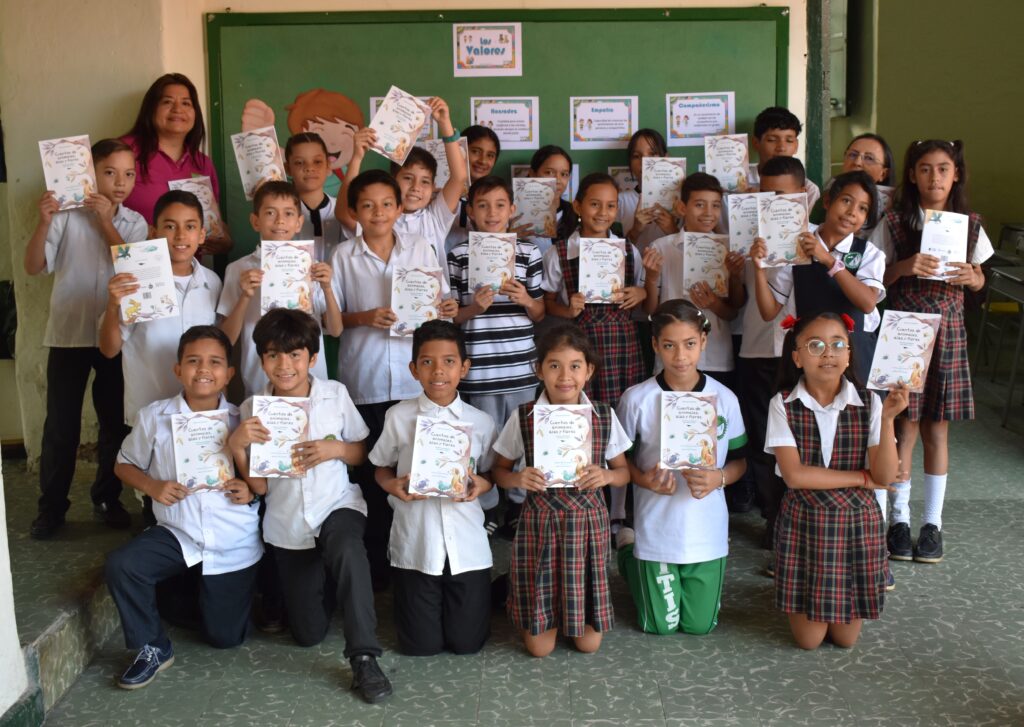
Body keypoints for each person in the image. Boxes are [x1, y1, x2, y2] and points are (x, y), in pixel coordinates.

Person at [228, 308, 392, 704]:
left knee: (349, 552)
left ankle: (364, 656)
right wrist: (236, 447)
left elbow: (360, 453)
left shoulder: (333, 394)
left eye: (295, 355)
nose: (284, 365)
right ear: (261, 359)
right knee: (307, 634)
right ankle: (322, 581)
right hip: (287, 524)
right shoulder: (253, 409)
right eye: (273, 355)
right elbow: (261, 487)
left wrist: (332, 448)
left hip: (337, 505)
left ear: (312, 358)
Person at [106, 326, 260, 688]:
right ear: (178, 370)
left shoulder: (244, 419)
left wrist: (249, 492)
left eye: (215, 362)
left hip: (231, 539)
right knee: (123, 566)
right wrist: (152, 486)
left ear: (229, 373)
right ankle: (152, 648)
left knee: (224, 637)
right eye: (193, 361)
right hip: (178, 533)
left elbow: (264, 483)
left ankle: (214, 598)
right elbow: (123, 464)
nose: (203, 369)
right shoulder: (154, 417)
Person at [330, 169, 459, 589]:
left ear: (400, 207)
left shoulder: (421, 247)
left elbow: (437, 302)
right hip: (364, 379)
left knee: (411, 471)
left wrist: (445, 308)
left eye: (387, 203)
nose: (378, 212)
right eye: (367, 205)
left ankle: (411, 563)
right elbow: (331, 320)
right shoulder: (341, 257)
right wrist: (365, 318)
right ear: (354, 211)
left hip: (412, 382)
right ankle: (375, 569)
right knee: (370, 475)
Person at [871, 139, 993, 564]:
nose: (934, 177)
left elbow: (982, 283)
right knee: (903, 426)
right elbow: (876, 279)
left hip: (948, 333)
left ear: (956, 174)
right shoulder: (894, 221)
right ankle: (898, 521)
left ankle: (932, 524)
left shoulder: (971, 225)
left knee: (936, 430)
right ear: (911, 174)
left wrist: (972, 277)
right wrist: (905, 266)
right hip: (905, 330)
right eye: (925, 168)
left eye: (943, 169)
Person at [25, 138, 148, 538]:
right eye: (110, 172)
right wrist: (44, 220)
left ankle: (107, 497)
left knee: (114, 422)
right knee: (61, 425)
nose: (120, 182)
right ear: (90, 173)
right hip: (67, 335)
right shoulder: (65, 216)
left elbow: (136, 268)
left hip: (114, 336)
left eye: (128, 174)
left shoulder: (134, 223)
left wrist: (106, 221)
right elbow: (33, 266)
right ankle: (52, 507)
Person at [765, 312, 907, 649]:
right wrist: (861, 477)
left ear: (849, 355)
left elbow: (885, 476)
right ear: (797, 357)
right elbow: (795, 476)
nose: (827, 353)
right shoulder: (782, 404)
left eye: (837, 344)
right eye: (815, 345)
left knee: (844, 640)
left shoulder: (871, 402)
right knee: (810, 642)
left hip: (857, 524)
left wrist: (887, 421)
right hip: (806, 522)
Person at [492, 325, 632, 657]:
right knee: (539, 649)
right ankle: (519, 599)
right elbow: (498, 470)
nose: (564, 375)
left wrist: (607, 477)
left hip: (588, 526)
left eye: (574, 365)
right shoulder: (524, 416)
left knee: (588, 645)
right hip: (540, 525)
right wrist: (516, 480)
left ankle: (573, 612)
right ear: (539, 369)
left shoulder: (603, 416)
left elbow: (625, 472)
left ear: (589, 371)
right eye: (554, 365)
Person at [616, 300, 748, 635]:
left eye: (690, 344)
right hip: (656, 526)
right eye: (669, 346)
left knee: (699, 626)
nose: (680, 356)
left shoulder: (726, 399)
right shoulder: (636, 399)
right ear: (655, 345)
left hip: (707, 530)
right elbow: (619, 461)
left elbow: (740, 461)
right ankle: (629, 551)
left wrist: (719, 477)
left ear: (704, 341)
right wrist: (644, 479)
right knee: (661, 625)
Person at [369, 320, 496, 655]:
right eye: (427, 362)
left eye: (449, 361)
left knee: (466, 644)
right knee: (420, 646)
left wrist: (484, 483)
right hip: (416, 543)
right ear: (413, 369)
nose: (438, 370)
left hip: (467, 546)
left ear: (464, 368)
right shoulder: (398, 417)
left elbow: (493, 473)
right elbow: (379, 466)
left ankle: (489, 594)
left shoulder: (480, 422)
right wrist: (391, 486)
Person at [447, 175, 545, 531]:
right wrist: (474, 307)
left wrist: (525, 300)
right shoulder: (458, 256)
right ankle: (486, 504)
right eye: (483, 205)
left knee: (521, 438)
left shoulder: (529, 252)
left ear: (512, 210)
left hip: (520, 366)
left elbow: (540, 312)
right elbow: (454, 317)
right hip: (480, 368)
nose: (492, 213)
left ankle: (519, 506)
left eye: (500, 205)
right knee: (484, 441)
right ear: (470, 211)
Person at [731, 156, 808, 548]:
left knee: (801, 439)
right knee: (763, 439)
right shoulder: (746, 234)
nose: (773, 202)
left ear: (802, 194)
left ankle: (802, 519)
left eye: (782, 195)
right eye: (765, 194)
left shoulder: (816, 238)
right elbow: (741, 298)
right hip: (759, 349)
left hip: (804, 356)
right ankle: (773, 517)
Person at [99, 190, 222, 428]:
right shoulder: (134, 281)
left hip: (199, 414)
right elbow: (109, 350)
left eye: (190, 226)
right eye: (170, 226)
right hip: (148, 414)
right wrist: (113, 305)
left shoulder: (212, 282)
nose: (180, 235)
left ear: (202, 234)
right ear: (154, 232)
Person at [751, 169, 885, 385]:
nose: (852, 212)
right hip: (808, 357)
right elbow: (769, 312)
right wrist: (759, 269)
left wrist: (829, 260)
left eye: (862, 209)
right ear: (827, 201)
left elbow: (868, 303)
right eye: (846, 201)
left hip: (854, 357)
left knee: (855, 416)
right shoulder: (796, 246)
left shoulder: (869, 253)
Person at [217, 180, 341, 396]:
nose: (280, 220)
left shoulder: (312, 268)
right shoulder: (238, 269)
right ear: (255, 221)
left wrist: (328, 289)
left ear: (299, 222)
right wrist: (246, 296)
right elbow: (226, 340)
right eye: (270, 213)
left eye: (289, 213)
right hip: (260, 380)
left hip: (311, 382)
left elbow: (336, 329)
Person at [542, 173, 654, 406]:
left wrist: (641, 293)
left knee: (626, 407)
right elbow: (548, 302)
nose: (603, 213)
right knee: (585, 408)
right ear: (578, 206)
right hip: (579, 345)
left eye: (610, 206)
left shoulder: (628, 250)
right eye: (594, 204)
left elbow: (645, 295)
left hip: (623, 343)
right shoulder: (559, 253)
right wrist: (568, 310)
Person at [337, 97, 466, 271]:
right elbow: (345, 214)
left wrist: (445, 124)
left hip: (432, 298)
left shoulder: (434, 218)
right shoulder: (379, 217)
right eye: (407, 178)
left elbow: (458, 178)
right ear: (393, 181)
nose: (416, 187)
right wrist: (357, 157)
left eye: (425, 181)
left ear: (434, 186)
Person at [645, 173, 743, 386]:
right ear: (682, 208)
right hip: (671, 359)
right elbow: (651, 312)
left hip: (716, 354)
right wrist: (651, 279)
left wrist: (717, 300)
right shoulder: (661, 248)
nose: (709, 213)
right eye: (699, 205)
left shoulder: (729, 249)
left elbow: (733, 311)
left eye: (716, 206)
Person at [121, 73, 231, 255]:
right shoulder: (124, 152)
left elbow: (212, 220)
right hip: (137, 269)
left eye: (186, 103)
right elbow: (98, 211)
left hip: (187, 276)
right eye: (167, 102)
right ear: (151, 109)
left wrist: (225, 241)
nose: (177, 109)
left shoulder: (202, 163)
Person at [285, 132, 347, 262]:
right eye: (299, 163)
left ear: (328, 166)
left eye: (317, 161)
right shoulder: (280, 214)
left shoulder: (342, 211)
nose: (309, 168)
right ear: (288, 169)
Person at [618, 129, 678, 249]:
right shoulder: (619, 201)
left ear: (666, 158)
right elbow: (613, 255)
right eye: (636, 156)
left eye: (652, 154)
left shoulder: (681, 201)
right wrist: (635, 230)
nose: (644, 161)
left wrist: (672, 230)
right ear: (630, 162)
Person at [446, 124, 502, 251]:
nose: (482, 161)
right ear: (460, 151)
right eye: (475, 151)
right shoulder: (441, 193)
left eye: (490, 155)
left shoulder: (500, 199)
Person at [751, 106, 820, 209]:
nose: (781, 148)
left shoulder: (810, 190)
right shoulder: (738, 179)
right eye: (772, 140)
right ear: (756, 143)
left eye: (789, 141)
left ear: (796, 146)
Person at [516, 145, 579, 257]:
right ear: (532, 173)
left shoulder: (576, 213)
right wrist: (511, 237)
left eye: (564, 174)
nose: (557, 180)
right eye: (549, 172)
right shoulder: (514, 213)